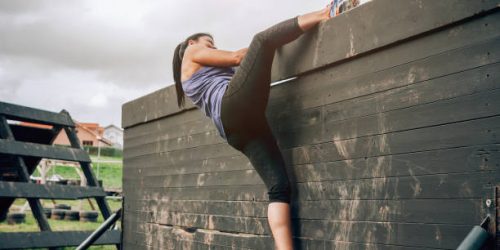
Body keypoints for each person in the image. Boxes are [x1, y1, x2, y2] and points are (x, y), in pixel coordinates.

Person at [172, 4, 332, 250]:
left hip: (237, 130)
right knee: (262, 40)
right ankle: (327, 12)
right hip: (232, 107)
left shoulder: (203, 72)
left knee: (279, 188)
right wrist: (266, 46)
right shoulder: (190, 55)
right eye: (209, 44)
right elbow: (239, 56)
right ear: (192, 43)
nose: (213, 48)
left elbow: (247, 70)